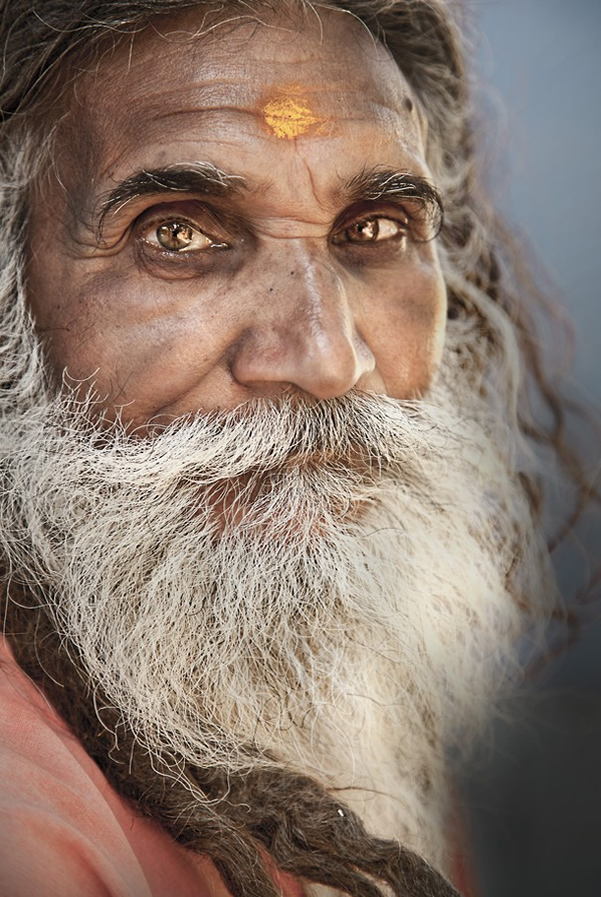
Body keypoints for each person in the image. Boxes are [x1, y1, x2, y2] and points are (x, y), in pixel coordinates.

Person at [0, 1, 584, 895]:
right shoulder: (27, 827)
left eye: (373, 231)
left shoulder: (352, 711)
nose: (322, 357)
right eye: (178, 233)